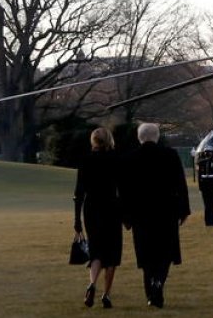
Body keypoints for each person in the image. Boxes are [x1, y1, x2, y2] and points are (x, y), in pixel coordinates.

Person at [122, 123, 190, 309]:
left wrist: (126, 217)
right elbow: (180, 184)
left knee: (146, 254)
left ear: (140, 137)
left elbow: (125, 191)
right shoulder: (170, 155)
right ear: (157, 136)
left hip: (140, 214)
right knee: (165, 252)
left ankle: (151, 293)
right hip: (166, 212)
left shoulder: (130, 158)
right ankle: (158, 283)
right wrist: (184, 210)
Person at [73, 127, 123, 309]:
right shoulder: (115, 159)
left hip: (91, 208)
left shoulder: (86, 160)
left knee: (96, 250)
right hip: (111, 207)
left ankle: (92, 284)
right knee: (112, 254)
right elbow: (122, 189)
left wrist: (77, 221)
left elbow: (79, 192)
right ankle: (106, 295)